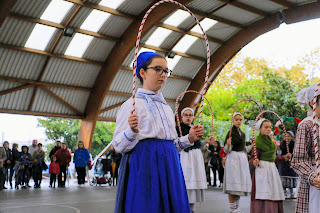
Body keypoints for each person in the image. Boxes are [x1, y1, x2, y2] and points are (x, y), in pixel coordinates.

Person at [112, 51, 204, 213]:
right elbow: (118, 145)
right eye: (158, 69)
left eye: (166, 71)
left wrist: (189, 138)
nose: (163, 75)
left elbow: (172, 145)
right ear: (142, 72)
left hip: (170, 164)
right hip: (146, 165)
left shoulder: (166, 108)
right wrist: (131, 131)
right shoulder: (132, 105)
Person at [250, 119, 291, 213]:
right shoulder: (257, 142)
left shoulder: (272, 143)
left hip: (272, 171)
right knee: (263, 193)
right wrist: (254, 162)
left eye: (270, 127)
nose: (269, 129)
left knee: (273, 193)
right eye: (266, 127)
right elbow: (252, 158)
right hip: (262, 171)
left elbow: (273, 159)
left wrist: (284, 157)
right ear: (260, 129)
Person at [292, 82, 320, 213]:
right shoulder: (307, 125)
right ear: (312, 102)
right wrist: (313, 177)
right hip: (315, 181)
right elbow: (298, 159)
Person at [176, 107, 207, 213]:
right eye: (186, 115)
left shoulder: (195, 127)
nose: (188, 117)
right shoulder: (177, 128)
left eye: (190, 115)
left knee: (194, 184)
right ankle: (183, 208)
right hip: (185, 157)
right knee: (186, 182)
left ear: (193, 117)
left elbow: (198, 144)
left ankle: (192, 209)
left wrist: (207, 141)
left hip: (196, 158)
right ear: (181, 116)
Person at [224, 112, 251, 213]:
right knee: (233, 183)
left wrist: (252, 146)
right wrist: (228, 144)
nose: (239, 121)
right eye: (237, 119)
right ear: (233, 121)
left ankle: (237, 207)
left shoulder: (243, 134)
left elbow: (243, 149)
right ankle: (232, 208)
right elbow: (227, 150)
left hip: (241, 158)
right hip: (233, 158)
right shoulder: (231, 133)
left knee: (239, 184)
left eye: (240, 120)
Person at [279, 131, 298, 199]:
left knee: (291, 177)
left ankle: (292, 192)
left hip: (291, 162)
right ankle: (284, 192)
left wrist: (291, 155)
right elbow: (282, 151)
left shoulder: (294, 144)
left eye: (288, 136)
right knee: (284, 178)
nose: (287, 138)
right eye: (285, 136)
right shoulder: (282, 143)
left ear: (291, 137)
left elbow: (295, 151)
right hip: (284, 162)